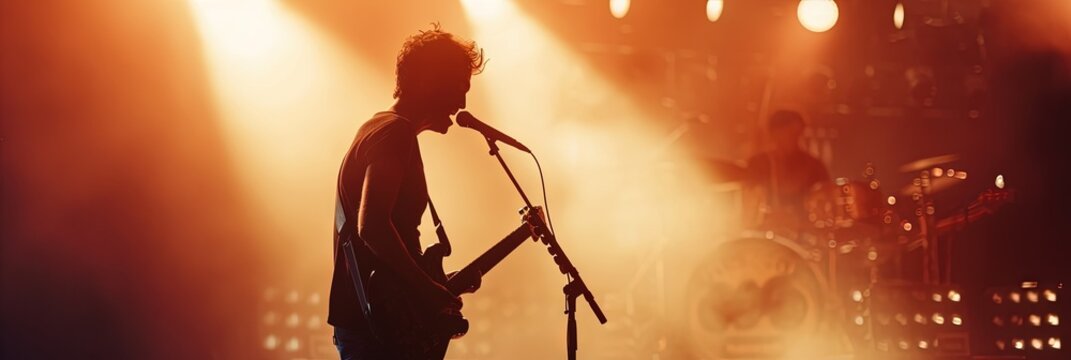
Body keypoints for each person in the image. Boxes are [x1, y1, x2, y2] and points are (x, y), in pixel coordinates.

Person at [328, 24, 485, 359]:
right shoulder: (393, 134)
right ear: (430, 79)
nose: (462, 102)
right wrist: (427, 289)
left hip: (372, 326)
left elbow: (384, 238)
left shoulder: (380, 128)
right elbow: (371, 226)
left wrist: (435, 280)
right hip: (377, 335)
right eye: (460, 86)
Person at [709, 110, 830, 230]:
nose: (796, 139)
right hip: (765, 234)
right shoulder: (760, 163)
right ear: (775, 133)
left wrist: (800, 222)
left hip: (804, 236)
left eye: (798, 134)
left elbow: (826, 203)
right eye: (790, 134)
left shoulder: (815, 166)